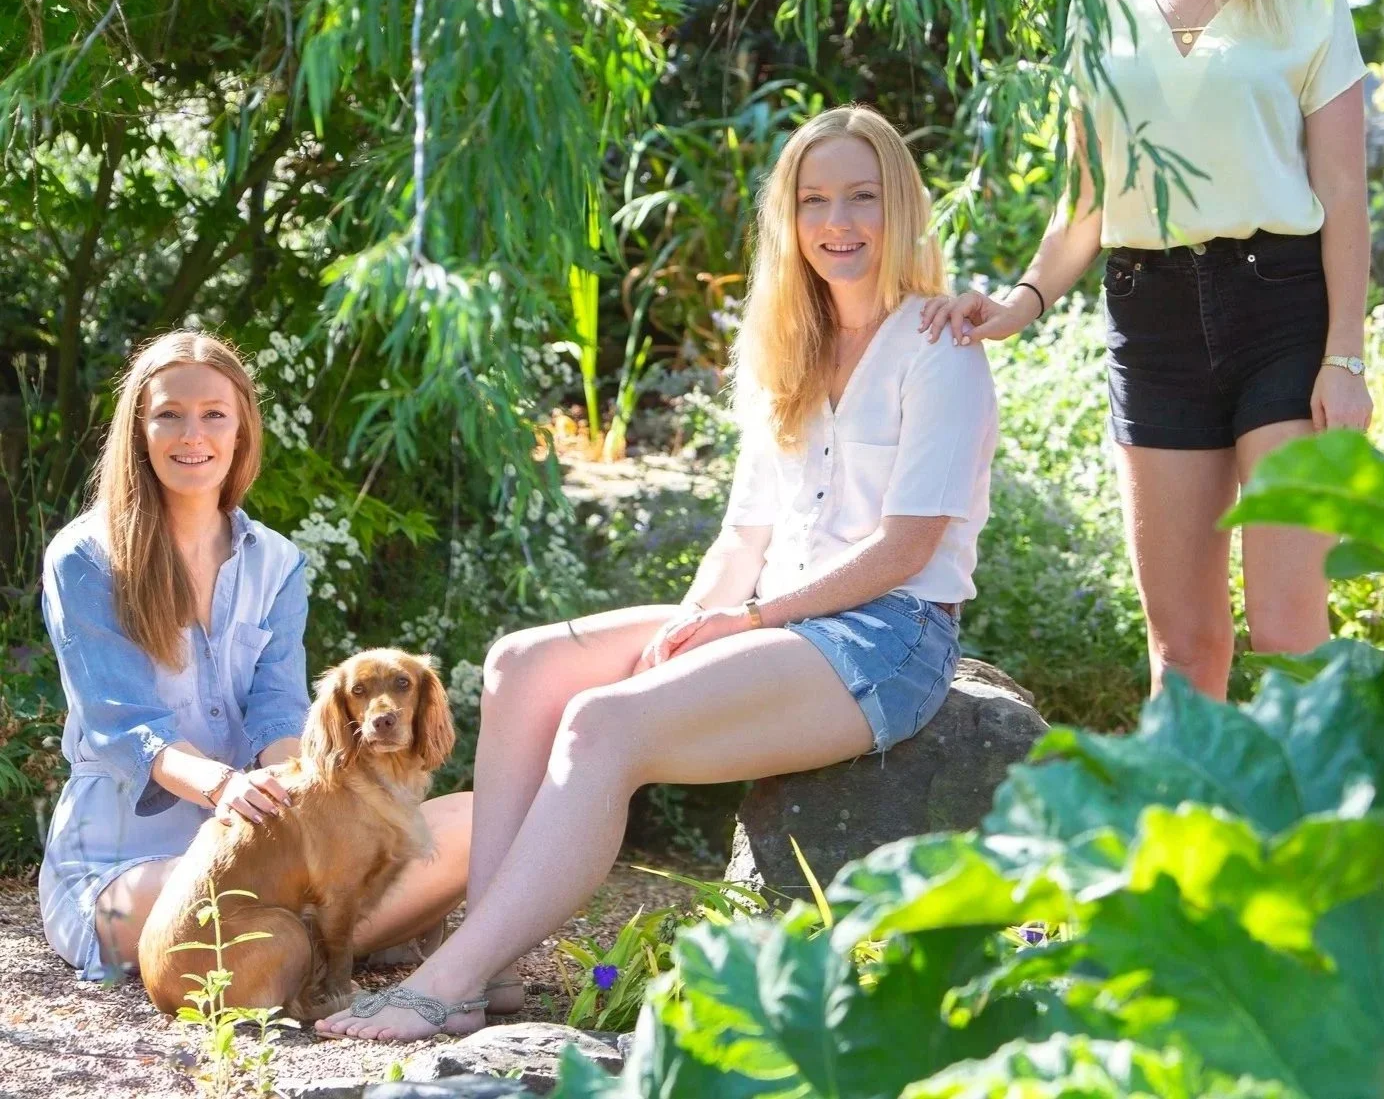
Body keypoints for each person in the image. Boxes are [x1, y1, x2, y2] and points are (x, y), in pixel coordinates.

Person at [316, 104, 998, 1040]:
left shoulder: (940, 346)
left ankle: (446, 978)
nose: (838, 221)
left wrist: (745, 623)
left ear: (901, 209)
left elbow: (905, 548)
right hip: (779, 619)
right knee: (522, 663)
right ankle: (495, 965)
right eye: (814, 199)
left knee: (604, 723)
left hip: (887, 635)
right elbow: (740, 537)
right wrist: (692, 625)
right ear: (788, 220)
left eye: (862, 196)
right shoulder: (784, 351)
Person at [921, 0, 1371, 700]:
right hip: (1150, 318)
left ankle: (1326, 846)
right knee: (1183, 647)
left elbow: (1342, 195)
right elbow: (1087, 200)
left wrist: (1344, 358)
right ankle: (1183, 848)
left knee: (1291, 630)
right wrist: (1024, 298)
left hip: (1282, 313)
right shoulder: (1102, 8)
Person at [39, 331, 471, 981]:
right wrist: (226, 786)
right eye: (168, 414)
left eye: (214, 413)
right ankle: (352, 934)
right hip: (124, 869)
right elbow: (124, 726)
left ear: (241, 429)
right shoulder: (85, 558)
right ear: (138, 429)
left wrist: (316, 803)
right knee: (219, 906)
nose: (193, 434)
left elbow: (277, 714)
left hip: (270, 847)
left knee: (475, 819)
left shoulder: (276, 560)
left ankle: (322, 936)